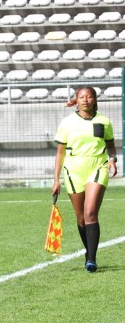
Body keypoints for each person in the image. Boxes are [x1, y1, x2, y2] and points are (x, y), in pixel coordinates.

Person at [52, 86, 118, 272]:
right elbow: (60, 153)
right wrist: (56, 180)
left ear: (95, 100)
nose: (86, 100)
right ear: (77, 100)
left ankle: (91, 259)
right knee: (81, 218)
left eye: (89, 97)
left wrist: (112, 160)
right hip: (73, 171)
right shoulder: (67, 123)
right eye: (82, 97)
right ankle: (88, 251)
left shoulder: (104, 121)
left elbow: (111, 146)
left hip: (97, 167)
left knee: (90, 213)